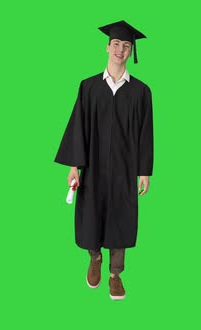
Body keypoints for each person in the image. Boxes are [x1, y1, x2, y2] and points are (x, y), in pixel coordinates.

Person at [55, 20, 154, 300]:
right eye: (116, 44)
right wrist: (74, 166)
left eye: (126, 45)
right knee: (92, 214)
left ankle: (115, 274)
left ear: (130, 50)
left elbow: (146, 132)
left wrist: (144, 170)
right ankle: (94, 257)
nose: (120, 50)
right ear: (107, 46)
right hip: (93, 165)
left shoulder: (141, 92)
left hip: (125, 166)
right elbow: (78, 127)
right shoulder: (88, 87)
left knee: (121, 216)